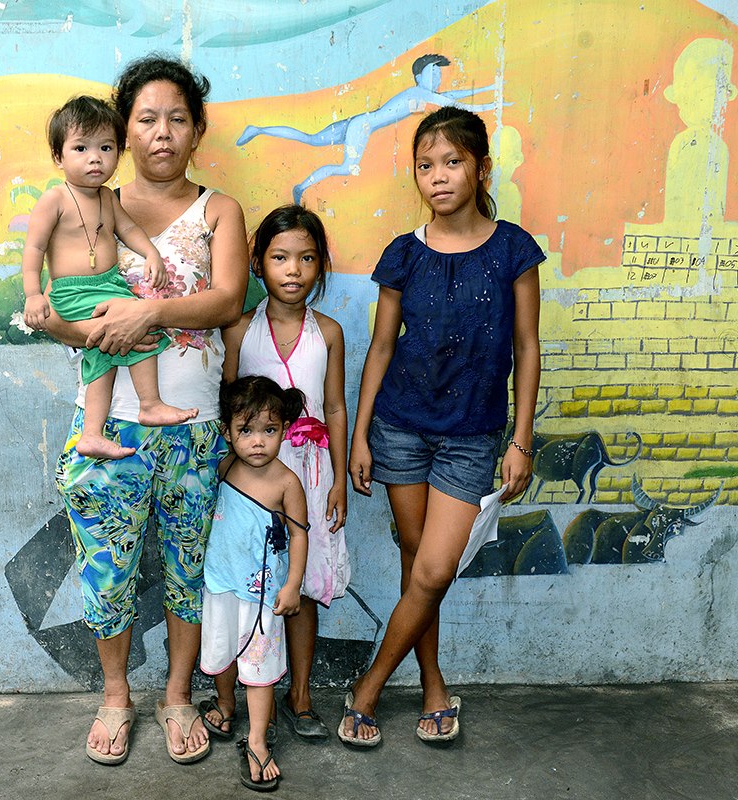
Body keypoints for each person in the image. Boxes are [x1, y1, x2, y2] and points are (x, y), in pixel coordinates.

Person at [38, 54, 250, 766]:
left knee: (190, 570)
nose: (163, 133)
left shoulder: (219, 210)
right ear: (123, 131)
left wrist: (148, 313)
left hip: (193, 429)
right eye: (147, 119)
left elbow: (227, 301)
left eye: (178, 119)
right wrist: (101, 330)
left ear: (197, 130)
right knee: (108, 567)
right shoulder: (88, 202)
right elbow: (55, 309)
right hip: (108, 425)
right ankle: (115, 696)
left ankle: (179, 695)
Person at [342, 106, 542, 746]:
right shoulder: (404, 253)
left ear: (482, 168)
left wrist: (521, 440)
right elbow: (380, 347)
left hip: (471, 436)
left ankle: (368, 688)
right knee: (414, 564)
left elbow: (527, 346)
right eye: (425, 165)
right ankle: (432, 685)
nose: (438, 176)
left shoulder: (513, 249)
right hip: (400, 426)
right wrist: (360, 436)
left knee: (432, 572)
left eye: (452, 161)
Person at [206, 205, 349, 743]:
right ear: (258, 264)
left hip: (309, 473)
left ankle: (301, 696)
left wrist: (338, 479)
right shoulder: (241, 329)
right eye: (280, 257)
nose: (294, 270)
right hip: (250, 478)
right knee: (243, 581)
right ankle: (233, 694)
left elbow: (334, 407)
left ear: (321, 265)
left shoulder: (328, 332)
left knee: (303, 584)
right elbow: (225, 403)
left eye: (307, 259)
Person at [22, 95, 197, 460]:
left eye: (106, 148)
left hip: (108, 286)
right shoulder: (55, 199)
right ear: (58, 156)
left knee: (114, 348)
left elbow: (129, 229)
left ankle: (96, 432)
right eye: (81, 148)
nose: (95, 158)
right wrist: (34, 295)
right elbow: (34, 249)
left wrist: (151, 253)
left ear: (119, 152)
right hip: (73, 292)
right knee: (130, 334)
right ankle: (148, 404)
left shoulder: (106, 198)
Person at [200, 376, 308, 791]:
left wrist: (293, 584)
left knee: (259, 667)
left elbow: (299, 535)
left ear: (284, 430)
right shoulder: (225, 467)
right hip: (220, 585)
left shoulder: (287, 483)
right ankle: (226, 704)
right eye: (246, 430)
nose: (258, 441)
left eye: (269, 430)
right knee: (223, 651)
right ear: (227, 432)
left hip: (262, 596)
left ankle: (258, 740)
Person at [236, 54, 502, 205]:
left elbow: (454, 95)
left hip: (358, 120)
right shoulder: (419, 92)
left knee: (312, 139)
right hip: (361, 126)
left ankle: (258, 129)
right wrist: (493, 104)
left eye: (438, 74)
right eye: (433, 73)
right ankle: (301, 186)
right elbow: (456, 103)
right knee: (346, 167)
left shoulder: (422, 93)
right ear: (419, 76)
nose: (437, 78)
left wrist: (492, 89)